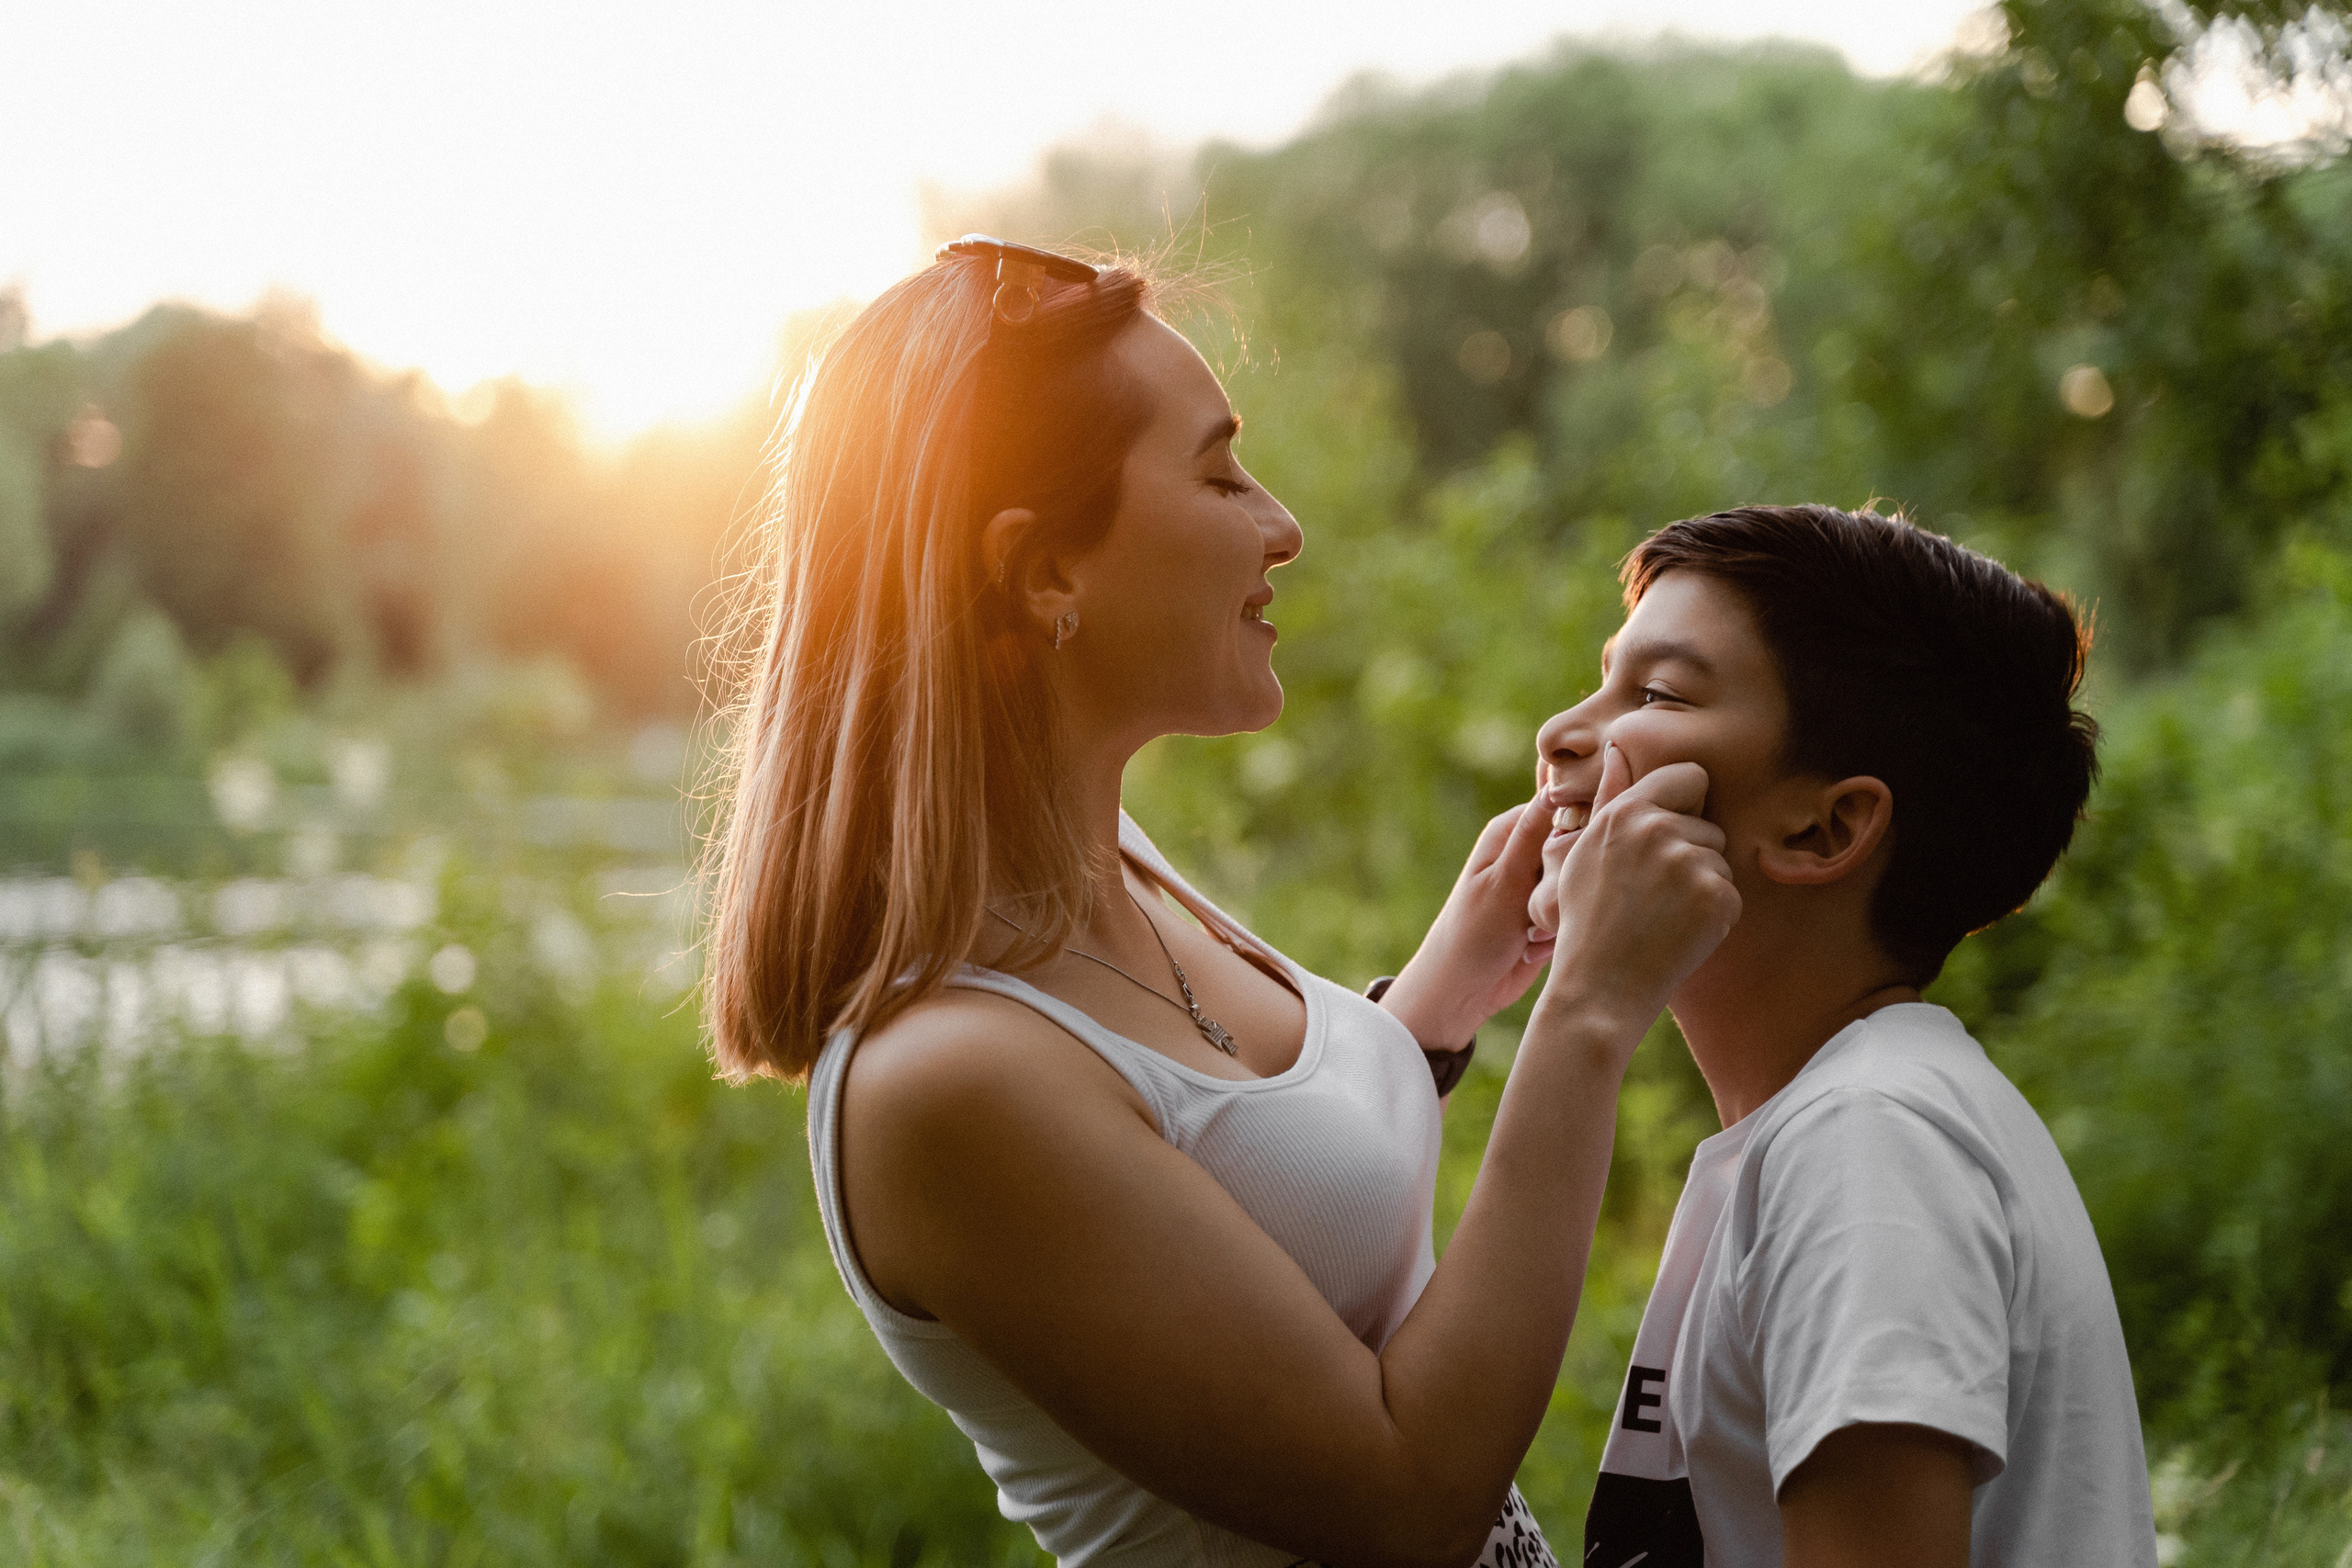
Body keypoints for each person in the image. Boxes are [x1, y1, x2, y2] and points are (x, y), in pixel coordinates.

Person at [699, 236, 1739, 1568]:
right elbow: (1407, 1494)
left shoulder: (1106, 857)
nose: (1282, 524)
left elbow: (1252, 1191)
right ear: (1040, 572)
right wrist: (1591, 1011)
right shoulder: (952, 1085)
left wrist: (1448, 991)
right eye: (1217, 472)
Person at [1526, 505, 2158, 1566]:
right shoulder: (1838, 1120)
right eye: (1602, 678)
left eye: (1657, 694)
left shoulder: (1870, 1143)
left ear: (1826, 827)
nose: (1561, 731)